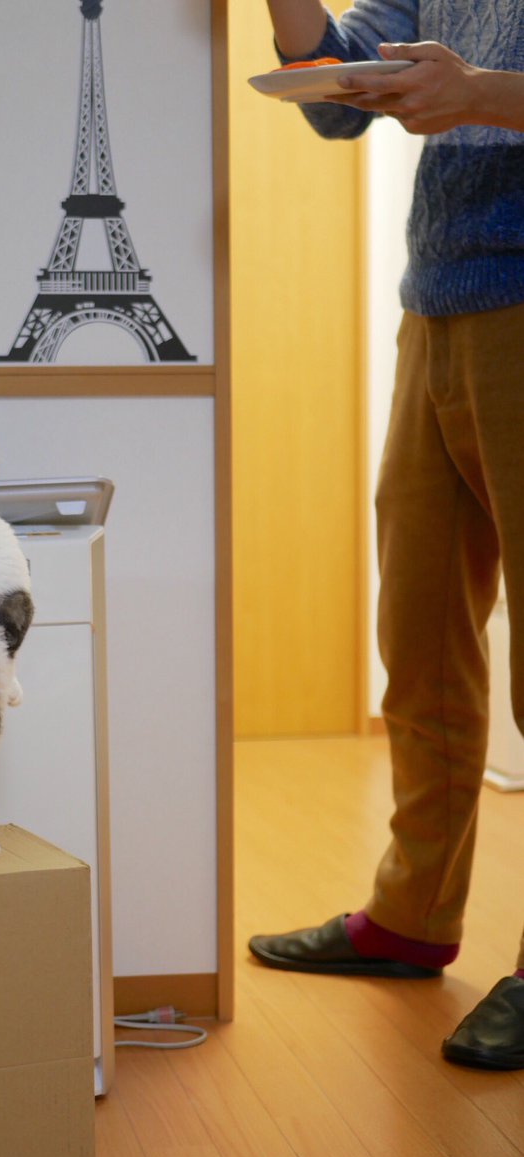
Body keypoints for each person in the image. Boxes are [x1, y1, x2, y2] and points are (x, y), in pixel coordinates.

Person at [249, 0, 524, 1071]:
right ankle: (411, 916)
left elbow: (461, 90)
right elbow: (336, 90)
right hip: (438, 309)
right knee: (419, 642)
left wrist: (480, 94)